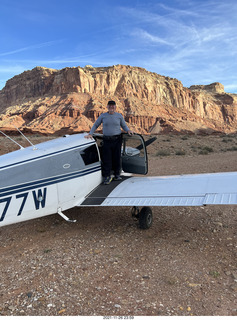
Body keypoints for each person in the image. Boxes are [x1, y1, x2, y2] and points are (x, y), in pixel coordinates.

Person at [85, 100, 133, 184]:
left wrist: (128, 130)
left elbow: (124, 125)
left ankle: (117, 175)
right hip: (107, 140)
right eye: (110, 106)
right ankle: (107, 177)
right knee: (107, 159)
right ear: (107, 107)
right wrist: (90, 134)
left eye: (113, 106)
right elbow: (96, 124)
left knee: (117, 158)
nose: (111, 107)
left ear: (115, 107)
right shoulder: (103, 116)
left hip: (117, 140)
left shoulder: (119, 116)